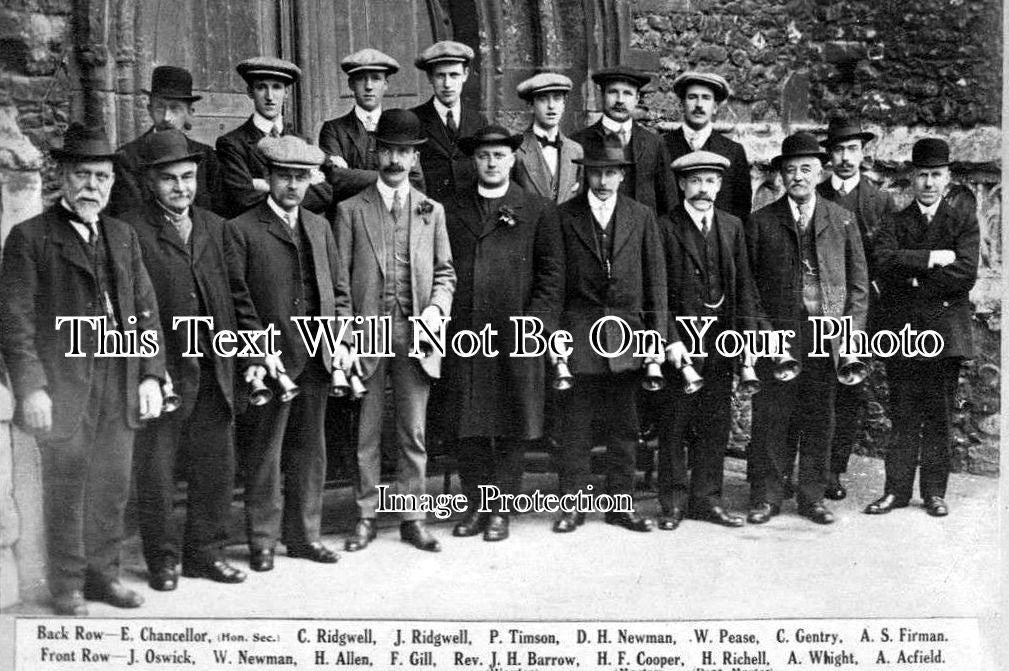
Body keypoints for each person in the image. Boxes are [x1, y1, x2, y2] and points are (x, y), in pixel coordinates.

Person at [0, 123, 166, 615]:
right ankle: (67, 584)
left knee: (111, 485)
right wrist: (32, 389)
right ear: (62, 178)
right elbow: (15, 322)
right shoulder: (29, 239)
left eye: (102, 177)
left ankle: (103, 576)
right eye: (83, 175)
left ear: (114, 183)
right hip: (66, 384)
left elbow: (146, 308)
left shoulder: (122, 235)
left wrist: (153, 373)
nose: (93, 186)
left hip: (120, 378)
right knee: (67, 485)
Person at [126, 128, 245, 591]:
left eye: (189, 177)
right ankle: (163, 560)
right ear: (151, 183)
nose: (181, 188)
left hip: (214, 365)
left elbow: (237, 297)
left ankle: (205, 554)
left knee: (216, 465)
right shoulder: (132, 231)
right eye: (170, 180)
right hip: (165, 371)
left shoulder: (216, 227)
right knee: (156, 471)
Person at [224, 134, 350, 571]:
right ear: (268, 177)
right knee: (265, 453)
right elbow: (239, 300)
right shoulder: (241, 229)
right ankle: (261, 541)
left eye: (301, 178)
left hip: (317, 356)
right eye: (284, 177)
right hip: (271, 361)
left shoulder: (319, 225)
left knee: (310, 452)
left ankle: (304, 536)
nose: (293, 187)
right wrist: (259, 351)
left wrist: (342, 341)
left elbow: (339, 290)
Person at [334, 109, 456, 553]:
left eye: (405, 152)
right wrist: (345, 337)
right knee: (366, 431)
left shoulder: (432, 211)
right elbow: (340, 285)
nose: (396, 160)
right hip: (367, 332)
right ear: (376, 152)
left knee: (413, 430)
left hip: (416, 333)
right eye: (388, 150)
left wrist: (436, 313)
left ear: (413, 156)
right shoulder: (350, 210)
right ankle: (365, 516)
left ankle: (412, 516)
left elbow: (445, 274)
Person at [444, 125, 563, 542]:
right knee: (470, 423)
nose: (491, 163)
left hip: (517, 332)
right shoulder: (452, 207)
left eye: (499, 155)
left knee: (513, 421)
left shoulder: (536, 209)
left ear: (513, 159)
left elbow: (551, 274)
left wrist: (536, 324)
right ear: (473, 161)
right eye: (483, 156)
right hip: (466, 334)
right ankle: (476, 505)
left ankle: (502, 511)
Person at [745, 131, 868, 526]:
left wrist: (849, 334)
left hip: (826, 334)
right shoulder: (761, 222)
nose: (798, 176)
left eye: (806, 169)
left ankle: (812, 497)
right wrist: (764, 331)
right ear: (781, 175)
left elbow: (858, 286)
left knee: (820, 416)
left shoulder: (841, 219)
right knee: (772, 416)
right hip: (780, 334)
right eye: (790, 169)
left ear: (819, 172)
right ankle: (767, 496)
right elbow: (748, 286)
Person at [551, 136, 667, 534]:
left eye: (610, 173)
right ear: (585, 174)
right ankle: (573, 506)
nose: (602, 181)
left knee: (625, 428)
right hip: (579, 334)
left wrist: (656, 340)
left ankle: (621, 505)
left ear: (622, 175)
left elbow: (657, 286)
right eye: (596, 173)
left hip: (628, 337)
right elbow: (555, 285)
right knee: (576, 428)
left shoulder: (642, 216)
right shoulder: (564, 217)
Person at [865, 138, 979, 518]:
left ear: (947, 177)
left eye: (936, 175)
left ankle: (934, 492)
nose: (929, 182)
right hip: (905, 331)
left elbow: (965, 273)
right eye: (922, 175)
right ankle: (895, 491)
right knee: (903, 414)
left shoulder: (961, 219)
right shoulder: (896, 221)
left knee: (939, 414)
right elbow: (883, 262)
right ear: (911, 178)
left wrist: (914, 280)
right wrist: (932, 257)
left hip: (945, 331)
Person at [656, 150, 768, 531]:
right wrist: (669, 339)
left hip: (721, 343)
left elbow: (744, 287)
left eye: (710, 181)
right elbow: (657, 293)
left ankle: (707, 499)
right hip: (682, 347)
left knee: (715, 424)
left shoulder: (732, 226)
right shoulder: (664, 226)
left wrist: (747, 339)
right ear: (682, 185)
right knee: (673, 425)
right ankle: (672, 503)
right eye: (696, 181)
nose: (703, 189)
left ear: (720, 186)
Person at [811, 114, 896, 500]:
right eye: (839, 150)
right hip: (816, 308)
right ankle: (807, 465)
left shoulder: (879, 201)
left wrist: (860, 314)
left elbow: (885, 259)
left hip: (859, 310)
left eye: (852, 149)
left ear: (864, 153)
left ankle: (833, 469)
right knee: (812, 386)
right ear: (828, 155)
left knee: (848, 390)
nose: (845, 157)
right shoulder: (816, 195)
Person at [216, 56, 332, 218]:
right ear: (250, 92)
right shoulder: (232, 144)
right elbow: (242, 199)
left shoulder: (302, 141)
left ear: (286, 93)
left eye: (276, 87)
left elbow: (324, 194)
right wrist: (299, 190)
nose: (269, 96)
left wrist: (262, 185)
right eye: (261, 87)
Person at [109, 65, 222, 216]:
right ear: (149, 110)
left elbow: (217, 213)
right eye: (160, 108)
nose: (167, 117)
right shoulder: (128, 157)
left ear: (189, 113)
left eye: (175, 109)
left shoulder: (205, 156)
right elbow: (128, 217)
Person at [318, 48, 424, 203]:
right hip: (349, 220)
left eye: (375, 79)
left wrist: (350, 174)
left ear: (386, 84)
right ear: (351, 84)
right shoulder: (334, 129)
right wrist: (395, 176)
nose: (368, 86)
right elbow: (334, 178)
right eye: (361, 79)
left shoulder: (400, 125)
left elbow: (415, 179)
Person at [571, 66, 676, 216]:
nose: (620, 100)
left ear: (637, 98)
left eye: (627, 93)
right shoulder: (578, 142)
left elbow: (668, 203)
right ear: (602, 95)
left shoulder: (654, 144)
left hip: (643, 236)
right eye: (613, 92)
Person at [664, 71, 751, 221]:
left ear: (715, 107)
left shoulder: (733, 151)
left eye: (706, 98)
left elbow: (741, 208)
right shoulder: (662, 146)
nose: (699, 105)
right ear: (682, 104)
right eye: (692, 97)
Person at [410, 41, 489, 203]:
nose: (447, 84)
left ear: (465, 74)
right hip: (429, 213)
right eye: (440, 75)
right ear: (430, 77)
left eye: (454, 75)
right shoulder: (414, 119)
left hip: (470, 213)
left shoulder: (478, 121)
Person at [512, 72, 583, 203]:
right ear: (531, 105)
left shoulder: (576, 150)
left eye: (557, 98)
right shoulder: (516, 150)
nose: (551, 106)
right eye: (543, 99)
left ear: (563, 104)